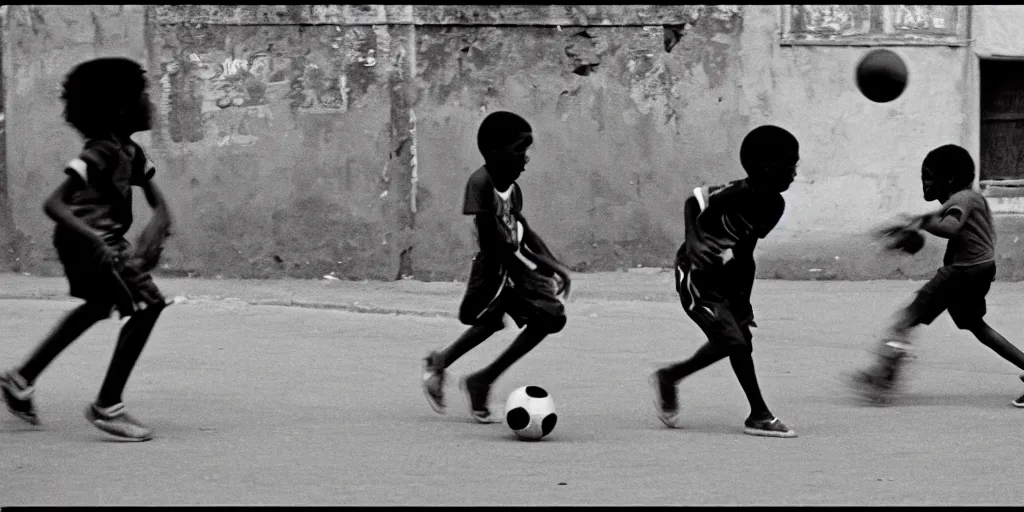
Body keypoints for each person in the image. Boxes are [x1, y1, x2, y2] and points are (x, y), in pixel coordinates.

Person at [0, 57, 173, 441]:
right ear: (119, 108)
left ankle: (21, 379)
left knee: (97, 306)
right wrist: (96, 240)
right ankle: (107, 406)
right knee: (148, 305)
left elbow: (155, 198)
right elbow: (55, 204)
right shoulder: (98, 153)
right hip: (89, 242)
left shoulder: (132, 152)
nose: (151, 103)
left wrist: (160, 220)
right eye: (143, 96)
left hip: (105, 241)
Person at [649, 125, 800, 438]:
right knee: (732, 341)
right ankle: (669, 376)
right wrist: (692, 239)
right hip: (695, 273)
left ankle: (758, 414)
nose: (795, 173)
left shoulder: (775, 206)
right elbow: (694, 200)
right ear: (767, 168)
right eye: (791, 166)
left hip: (725, 277)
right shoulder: (737, 193)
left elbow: (746, 253)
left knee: (742, 341)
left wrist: (743, 300)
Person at [421, 111, 572, 423]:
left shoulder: (512, 189)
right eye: (520, 150)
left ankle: (467, 374)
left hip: (514, 267)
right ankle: (463, 373)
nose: (526, 160)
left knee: (549, 317)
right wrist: (539, 266)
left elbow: (522, 229)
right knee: (496, 320)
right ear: (495, 152)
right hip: (495, 269)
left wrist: (554, 264)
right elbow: (498, 244)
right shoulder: (480, 184)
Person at [851, 144, 1024, 407]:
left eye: (929, 177)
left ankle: (882, 377)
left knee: (907, 319)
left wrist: (922, 224)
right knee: (976, 326)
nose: (924, 183)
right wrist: (913, 223)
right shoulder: (972, 198)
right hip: (981, 269)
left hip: (961, 273)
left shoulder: (961, 200)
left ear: (950, 179)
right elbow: (942, 220)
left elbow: (950, 227)